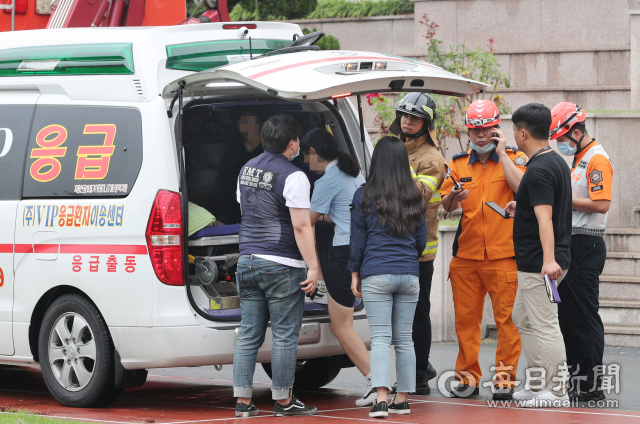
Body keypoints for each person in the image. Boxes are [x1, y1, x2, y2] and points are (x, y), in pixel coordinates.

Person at [233, 114, 318, 418]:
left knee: (248, 333)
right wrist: (313, 267)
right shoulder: (293, 176)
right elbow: (301, 227)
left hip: (247, 261)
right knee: (284, 334)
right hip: (281, 263)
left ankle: (243, 402)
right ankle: (283, 400)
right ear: (292, 143)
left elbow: (246, 210)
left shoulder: (246, 169)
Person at [439, 99, 525, 400]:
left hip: (504, 256)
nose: (479, 136)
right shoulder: (459, 164)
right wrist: (454, 196)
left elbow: (525, 189)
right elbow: (444, 206)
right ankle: (467, 377)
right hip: (466, 257)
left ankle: (504, 380)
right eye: (474, 130)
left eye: (486, 130)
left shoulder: (515, 158)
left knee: (507, 323)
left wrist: (503, 155)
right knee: (465, 321)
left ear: (496, 129)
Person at [349, 136, 428, 418]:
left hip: (376, 273)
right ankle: (402, 399)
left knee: (381, 338)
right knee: (404, 340)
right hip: (409, 275)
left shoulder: (364, 195)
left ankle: (381, 399)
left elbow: (358, 239)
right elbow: (421, 241)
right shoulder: (415, 194)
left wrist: (354, 272)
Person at [505, 103, 572, 408]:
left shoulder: (540, 168)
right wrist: (522, 209)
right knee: (522, 317)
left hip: (540, 265)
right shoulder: (554, 162)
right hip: (538, 262)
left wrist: (548, 261)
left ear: (522, 132)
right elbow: (544, 210)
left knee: (545, 325)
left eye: (514, 131)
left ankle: (557, 391)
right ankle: (537, 384)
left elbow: (546, 219)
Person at [301, 128, 374, 407]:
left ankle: (374, 380)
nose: (306, 162)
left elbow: (304, 223)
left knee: (341, 325)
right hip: (364, 248)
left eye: (307, 157)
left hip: (343, 254)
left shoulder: (327, 180)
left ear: (314, 153)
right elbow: (346, 213)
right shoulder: (355, 174)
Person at [550, 102, 612, 402]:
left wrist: (564, 202)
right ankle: (576, 379)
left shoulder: (596, 160)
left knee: (584, 316)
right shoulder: (577, 159)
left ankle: (591, 383)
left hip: (587, 244)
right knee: (568, 315)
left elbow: (602, 204)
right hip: (571, 242)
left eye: (562, 139)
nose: (560, 144)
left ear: (576, 132)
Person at [390, 92, 446, 394]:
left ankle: (419, 376)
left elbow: (417, 196)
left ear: (427, 123)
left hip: (420, 250)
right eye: (403, 115)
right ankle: (420, 364)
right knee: (400, 313)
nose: (406, 121)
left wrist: (396, 164)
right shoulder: (395, 147)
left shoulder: (432, 159)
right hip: (393, 243)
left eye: (414, 117)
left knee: (417, 312)